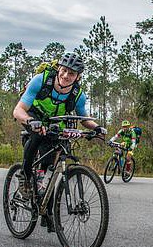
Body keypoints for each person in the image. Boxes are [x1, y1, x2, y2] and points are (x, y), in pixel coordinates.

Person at [12, 52, 106, 232]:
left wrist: (97, 128)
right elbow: (18, 110)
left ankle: (46, 211)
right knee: (37, 136)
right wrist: (31, 121)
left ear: (77, 77)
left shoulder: (78, 95)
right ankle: (25, 176)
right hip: (34, 116)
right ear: (58, 69)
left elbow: (83, 118)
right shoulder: (40, 81)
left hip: (56, 124)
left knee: (51, 169)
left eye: (71, 74)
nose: (65, 76)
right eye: (63, 71)